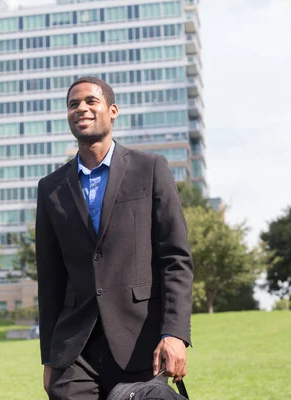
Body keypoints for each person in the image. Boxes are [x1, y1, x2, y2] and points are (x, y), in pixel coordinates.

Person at [36, 76, 194, 399]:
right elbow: (49, 279)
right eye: (73, 104)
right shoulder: (50, 188)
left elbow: (175, 259)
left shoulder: (150, 169)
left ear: (112, 110)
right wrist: (49, 358)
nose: (81, 108)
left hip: (139, 341)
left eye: (90, 101)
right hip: (75, 349)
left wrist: (175, 333)